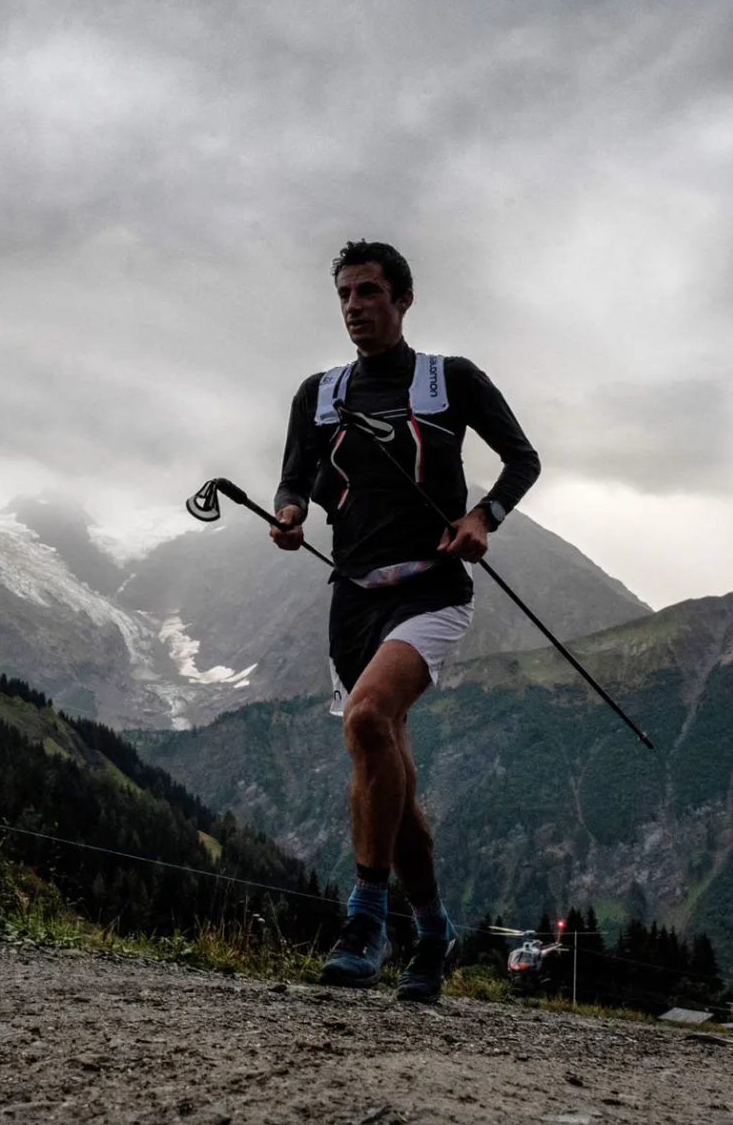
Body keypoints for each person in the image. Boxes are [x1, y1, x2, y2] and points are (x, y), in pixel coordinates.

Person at [271, 240, 540, 1002]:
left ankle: (365, 919)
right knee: (392, 776)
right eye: (344, 296)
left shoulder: (448, 379)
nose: (354, 307)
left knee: (364, 720)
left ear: (403, 298)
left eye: (367, 292)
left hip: (431, 588)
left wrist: (482, 516)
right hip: (352, 597)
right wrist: (289, 513)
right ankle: (431, 932)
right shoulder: (316, 394)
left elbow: (522, 459)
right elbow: (295, 477)